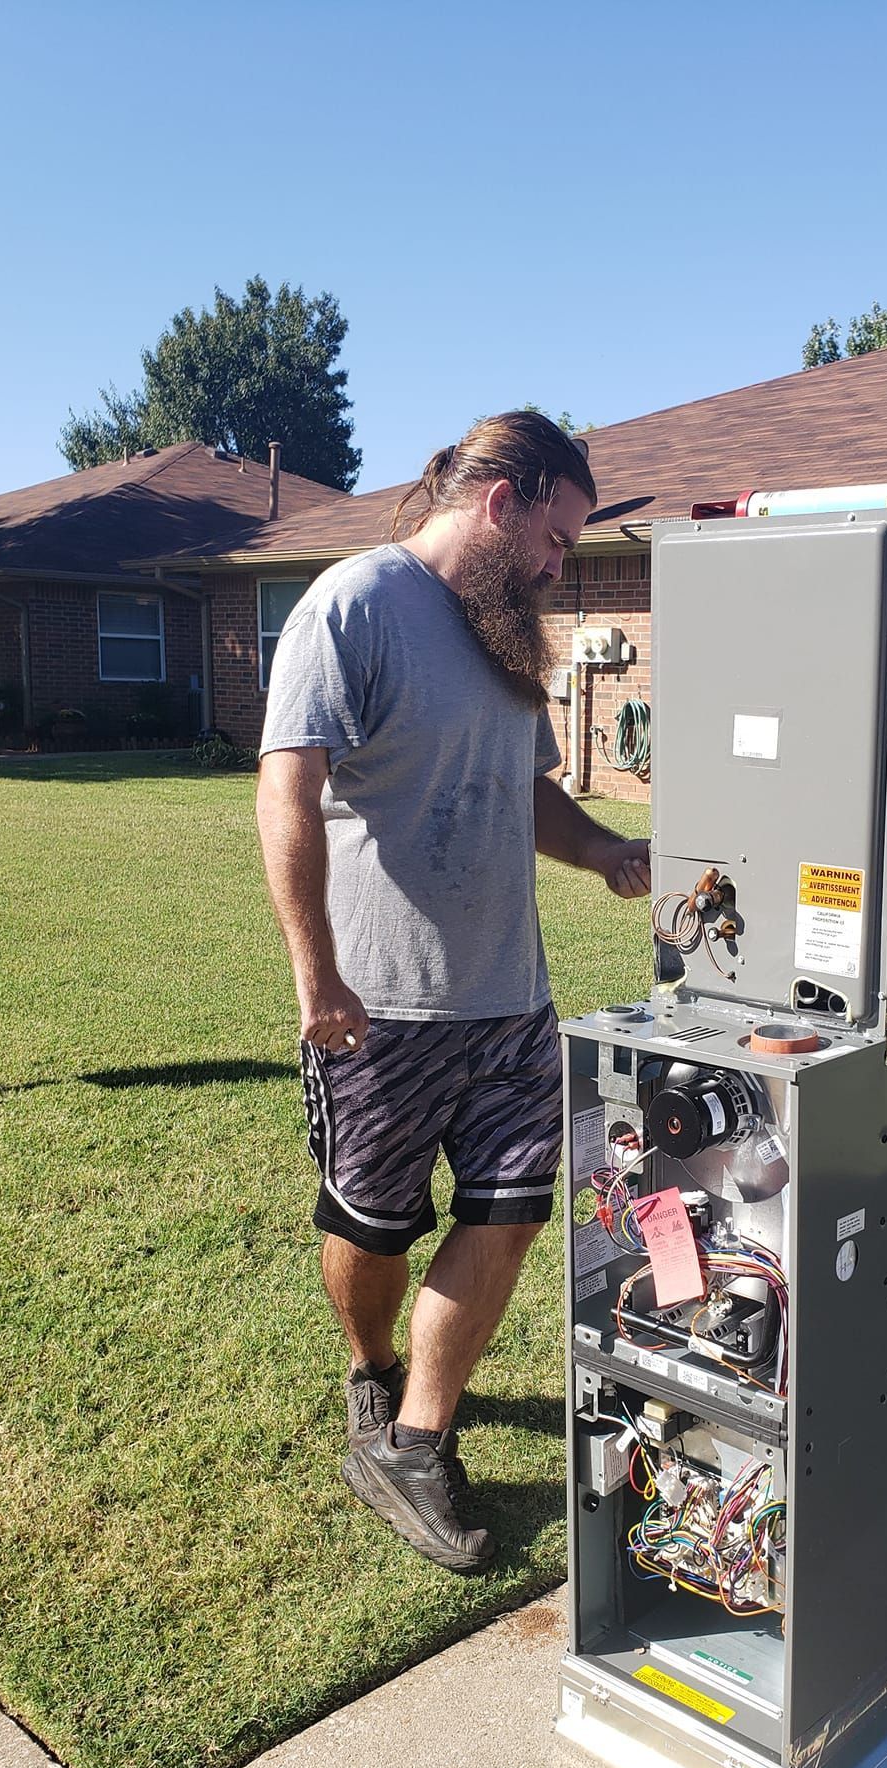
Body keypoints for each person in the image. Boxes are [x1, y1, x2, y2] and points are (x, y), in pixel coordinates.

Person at [255, 412, 650, 1573]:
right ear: (502, 500)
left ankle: (415, 1438)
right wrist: (314, 968)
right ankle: (372, 1374)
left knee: (512, 1213)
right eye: (557, 539)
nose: (557, 565)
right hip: (379, 1005)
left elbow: (524, 791)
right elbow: (288, 794)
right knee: (372, 1226)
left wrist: (602, 853)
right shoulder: (355, 605)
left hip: (509, 998)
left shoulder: (507, 636)